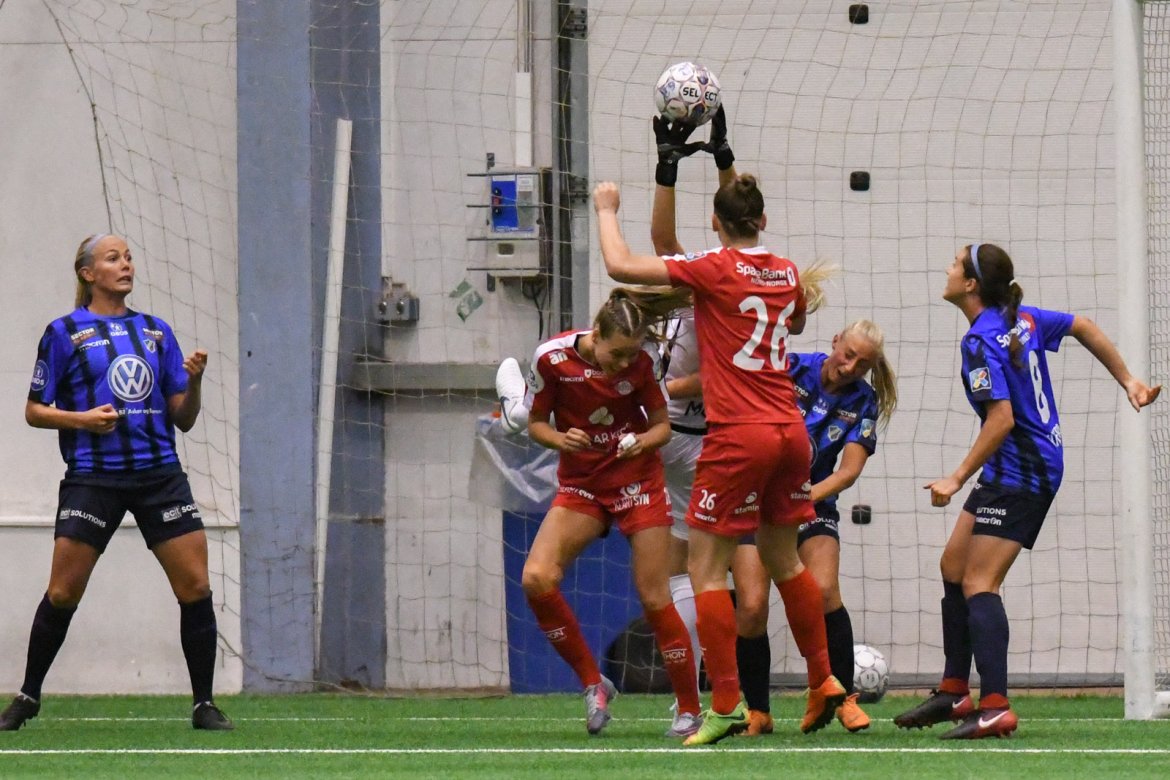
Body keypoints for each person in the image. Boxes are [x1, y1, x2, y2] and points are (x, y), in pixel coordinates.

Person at [593, 106, 847, 746]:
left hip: (735, 436)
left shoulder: (711, 269)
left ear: (715, 222)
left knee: (705, 572)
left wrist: (605, 208)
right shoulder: (787, 272)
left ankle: (727, 702)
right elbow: (792, 319)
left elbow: (622, 265)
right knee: (785, 562)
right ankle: (824, 679)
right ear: (763, 219)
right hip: (790, 432)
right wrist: (724, 157)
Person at [894, 242, 1160, 739]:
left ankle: (995, 706)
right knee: (953, 566)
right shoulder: (1021, 318)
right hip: (1015, 465)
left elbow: (1001, 420)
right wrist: (1128, 380)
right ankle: (954, 690)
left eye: (955, 263)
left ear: (971, 284)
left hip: (1025, 471)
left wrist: (956, 477)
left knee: (980, 582)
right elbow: (1082, 325)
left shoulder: (981, 340)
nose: (947, 269)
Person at [0, 234, 232, 732]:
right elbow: (34, 411)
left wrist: (193, 381)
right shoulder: (63, 332)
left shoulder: (156, 331)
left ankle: (204, 705)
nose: (125, 265)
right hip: (93, 478)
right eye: (113, 258)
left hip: (159, 475)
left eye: (128, 257)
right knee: (63, 592)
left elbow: (184, 418)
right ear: (88, 273)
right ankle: (28, 695)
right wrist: (82, 420)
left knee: (195, 586)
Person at [517, 286, 703, 737]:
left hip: (638, 483)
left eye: (631, 354)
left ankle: (689, 708)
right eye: (617, 353)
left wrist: (642, 441)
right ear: (595, 334)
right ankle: (593, 682)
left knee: (654, 595)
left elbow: (662, 426)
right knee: (537, 578)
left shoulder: (643, 363)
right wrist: (561, 439)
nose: (624, 363)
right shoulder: (551, 358)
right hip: (583, 486)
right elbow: (536, 423)